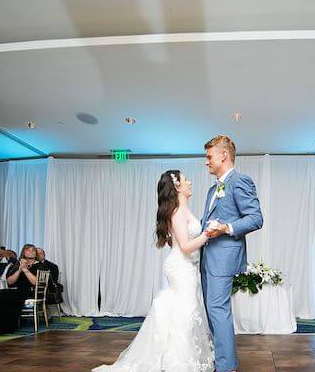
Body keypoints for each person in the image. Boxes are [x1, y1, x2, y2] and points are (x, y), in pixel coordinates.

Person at [93, 170, 215, 371]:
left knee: (185, 312)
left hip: (186, 266)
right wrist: (208, 234)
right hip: (181, 267)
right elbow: (184, 247)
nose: (190, 182)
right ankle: (179, 362)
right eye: (186, 180)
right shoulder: (177, 212)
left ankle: (177, 356)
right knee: (186, 312)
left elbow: (177, 242)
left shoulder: (183, 210)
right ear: (177, 186)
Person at [201, 135, 263, 372]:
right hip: (208, 259)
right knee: (212, 310)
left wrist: (226, 227)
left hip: (224, 258)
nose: (206, 162)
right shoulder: (211, 190)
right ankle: (223, 361)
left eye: (209, 157)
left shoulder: (240, 181)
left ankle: (226, 368)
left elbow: (256, 218)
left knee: (218, 309)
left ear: (223, 155)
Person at [0, 244, 40, 334]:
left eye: (33, 250)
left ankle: (3, 328)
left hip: (30, 291)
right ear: (23, 252)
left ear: (36, 253)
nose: (31, 252)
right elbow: (10, 282)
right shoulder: (18, 264)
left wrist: (25, 270)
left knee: (2, 298)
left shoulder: (39, 265)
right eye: (28, 250)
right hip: (16, 290)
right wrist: (19, 270)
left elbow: (35, 283)